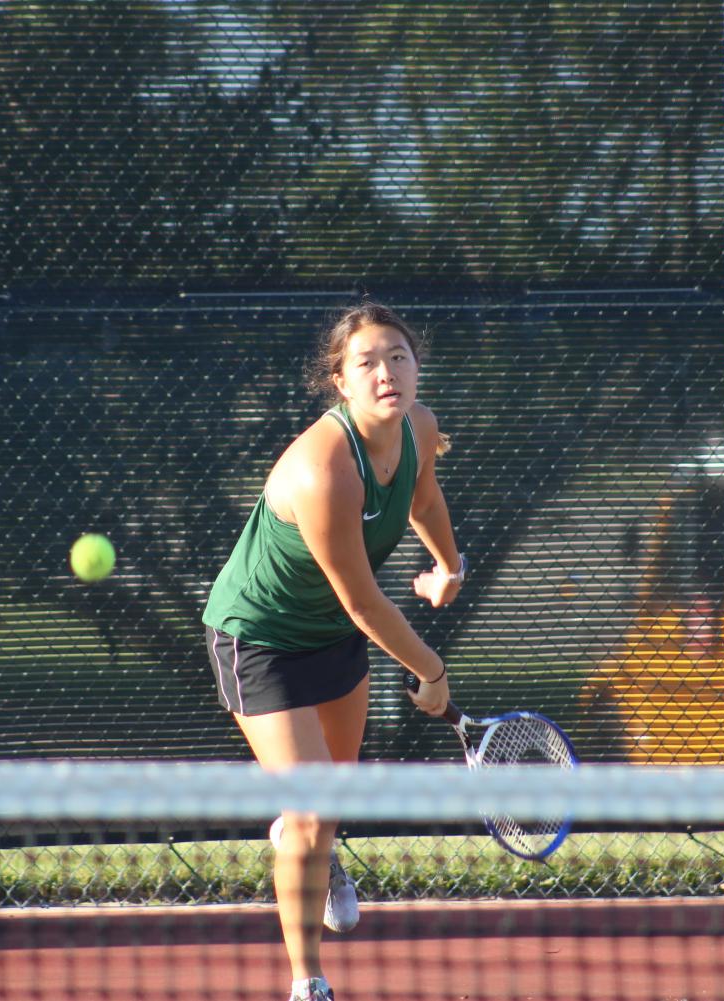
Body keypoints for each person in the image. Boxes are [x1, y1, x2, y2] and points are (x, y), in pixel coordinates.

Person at [202, 301, 466, 1001]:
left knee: (330, 795)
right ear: (340, 382)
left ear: (417, 367)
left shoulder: (419, 426)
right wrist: (430, 671)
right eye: (367, 362)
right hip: (258, 638)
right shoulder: (325, 470)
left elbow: (424, 496)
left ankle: (314, 847)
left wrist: (449, 564)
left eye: (398, 357)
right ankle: (306, 979)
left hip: (332, 634)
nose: (387, 372)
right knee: (314, 807)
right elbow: (362, 602)